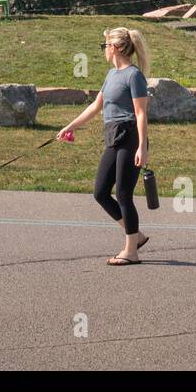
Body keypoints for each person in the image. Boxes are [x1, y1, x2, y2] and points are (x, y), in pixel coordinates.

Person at [57, 27, 151, 266]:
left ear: (115, 48)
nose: (104, 51)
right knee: (100, 192)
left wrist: (142, 147)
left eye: (105, 46)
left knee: (123, 194)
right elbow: (96, 106)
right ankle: (135, 235)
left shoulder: (134, 76)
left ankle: (131, 251)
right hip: (113, 136)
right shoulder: (111, 75)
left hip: (130, 137)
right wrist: (71, 126)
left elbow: (140, 113)